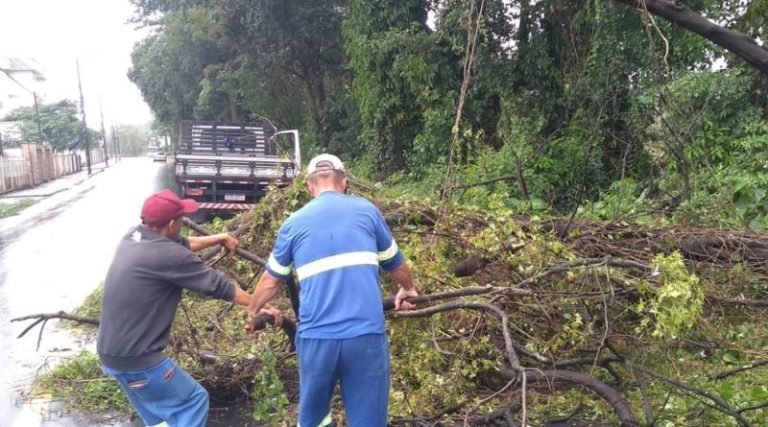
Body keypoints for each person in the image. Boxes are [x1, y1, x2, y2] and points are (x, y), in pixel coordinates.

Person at [246, 154, 418, 427]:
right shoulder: (367, 211)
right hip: (365, 337)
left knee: (314, 420)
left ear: (309, 187)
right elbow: (396, 265)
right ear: (345, 183)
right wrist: (408, 289)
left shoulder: (293, 224)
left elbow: (270, 282)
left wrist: (253, 310)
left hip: (316, 340)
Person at [97, 188, 281, 427]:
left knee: (160, 419)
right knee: (193, 402)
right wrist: (260, 305)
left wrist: (217, 237)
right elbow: (218, 286)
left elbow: (180, 244)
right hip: (139, 360)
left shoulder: (133, 237)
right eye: (182, 219)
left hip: (111, 354)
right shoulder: (169, 256)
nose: (185, 222)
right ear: (172, 223)